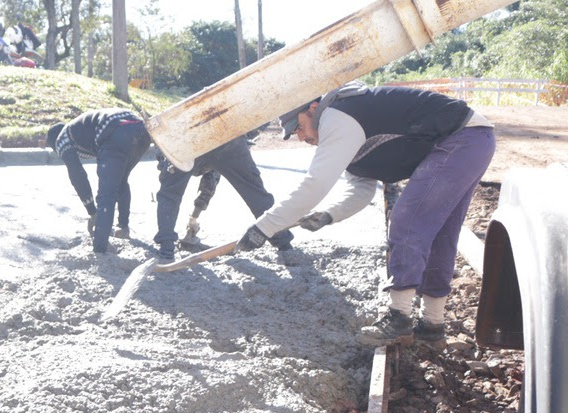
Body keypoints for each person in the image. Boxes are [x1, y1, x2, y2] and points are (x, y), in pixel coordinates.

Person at [234, 81, 495, 346]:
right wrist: (328, 215)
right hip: (474, 141)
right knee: (440, 233)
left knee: (406, 221)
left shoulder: (336, 117)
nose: (301, 137)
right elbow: (361, 189)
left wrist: (263, 227)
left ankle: (399, 317)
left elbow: (315, 183)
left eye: (299, 127)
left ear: (313, 109)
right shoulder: (347, 132)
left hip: (461, 138)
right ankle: (432, 323)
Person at [153, 136, 294, 262]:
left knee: (169, 194)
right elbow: (210, 183)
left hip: (184, 139)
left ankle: (166, 252)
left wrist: (194, 218)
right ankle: (284, 245)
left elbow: (208, 184)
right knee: (254, 190)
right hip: (224, 136)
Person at [46, 109, 151, 254]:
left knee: (106, 195)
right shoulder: (80, 127)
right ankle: (123, 228)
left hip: (114, 130)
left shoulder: (62, 139)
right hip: (141, 129)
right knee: (120, 180)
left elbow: (78, 176)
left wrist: (93, 212)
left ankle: (100, 248)